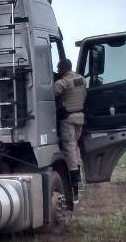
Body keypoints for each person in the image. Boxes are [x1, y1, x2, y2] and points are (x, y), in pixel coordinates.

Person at [55, 58, 87, 204]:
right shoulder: (81, 79)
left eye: (58, 68)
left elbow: (51, 93)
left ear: (62, 68)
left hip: (68, 119)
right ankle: (79, 182)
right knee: (76, 147)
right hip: (80, 117)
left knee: (69, 148)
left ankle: (74, 185)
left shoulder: (64, 81)